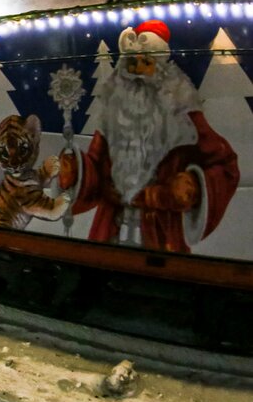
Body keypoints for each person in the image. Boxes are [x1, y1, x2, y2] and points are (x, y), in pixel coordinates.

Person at [59, 20, 239, 253]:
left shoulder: (184, 113)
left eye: (146, 62)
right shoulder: (114, 116)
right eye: (132, 63)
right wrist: (76, 171)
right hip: (109, 234)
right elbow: (95, 166)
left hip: (161, 235)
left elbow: (225, 165)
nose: (138, 71)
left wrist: (193, 185)